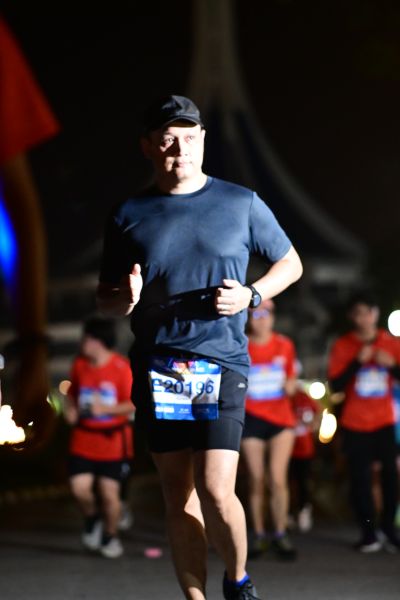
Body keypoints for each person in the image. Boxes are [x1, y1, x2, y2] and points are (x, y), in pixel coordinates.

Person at [96, 94, 302, 599]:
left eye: (189, 138)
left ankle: (238, 580)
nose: (180, 150)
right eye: (168, 140)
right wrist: (125, 298)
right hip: (159, 366)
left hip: (221, 359)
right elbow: (107, 300)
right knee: (178, 493)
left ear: (203, 140)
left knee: (214, 486)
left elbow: (290, 264)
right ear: (148, 146)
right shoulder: (128, 214)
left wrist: (252, 295)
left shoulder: (240, 202)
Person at [328, 292, 400, 553]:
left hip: (384, 421)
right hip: (354, 423)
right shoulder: (343, 345)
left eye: (368, 312)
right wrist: (357, 362)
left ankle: (389, 529)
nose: (364, 318)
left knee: (391, 476)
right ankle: (368, 533)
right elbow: (335, 386)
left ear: (375, 314)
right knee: (360, 479)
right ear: (352, 317)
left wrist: (391, 366)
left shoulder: (390, 343)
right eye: (358, 313)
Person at [64, 317, 135, 558]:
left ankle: (110, 535)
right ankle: (92, 518)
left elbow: (133, 403)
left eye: (87, 338)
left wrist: (105, 409)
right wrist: (71, 410)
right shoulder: (79, 365)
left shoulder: (121, 367)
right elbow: (71, 394)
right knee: (79, 489)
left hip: (112, 442)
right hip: (83, 439)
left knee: (109, 494)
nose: (83, 343)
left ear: (99, 341)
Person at [240, 299, 297, 560]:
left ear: (274, 316)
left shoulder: (285, 345)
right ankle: (259, 534)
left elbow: (292, 377)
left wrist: (291, 385)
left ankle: (280, 533)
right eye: (256, 313)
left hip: (280, 420)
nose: (261, 318)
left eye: (267, 312)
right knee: (256, 478)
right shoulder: (242, 345)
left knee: (277, 478)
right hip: (251, 418)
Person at [289, 384, 321, 532]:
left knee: (303, 481)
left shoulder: (304, 397)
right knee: (286, 482)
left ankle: (304, 510)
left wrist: (315, 424)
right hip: (287, 449)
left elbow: (318, 411)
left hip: (304, 448)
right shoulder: (283, 397)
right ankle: (289, 513)